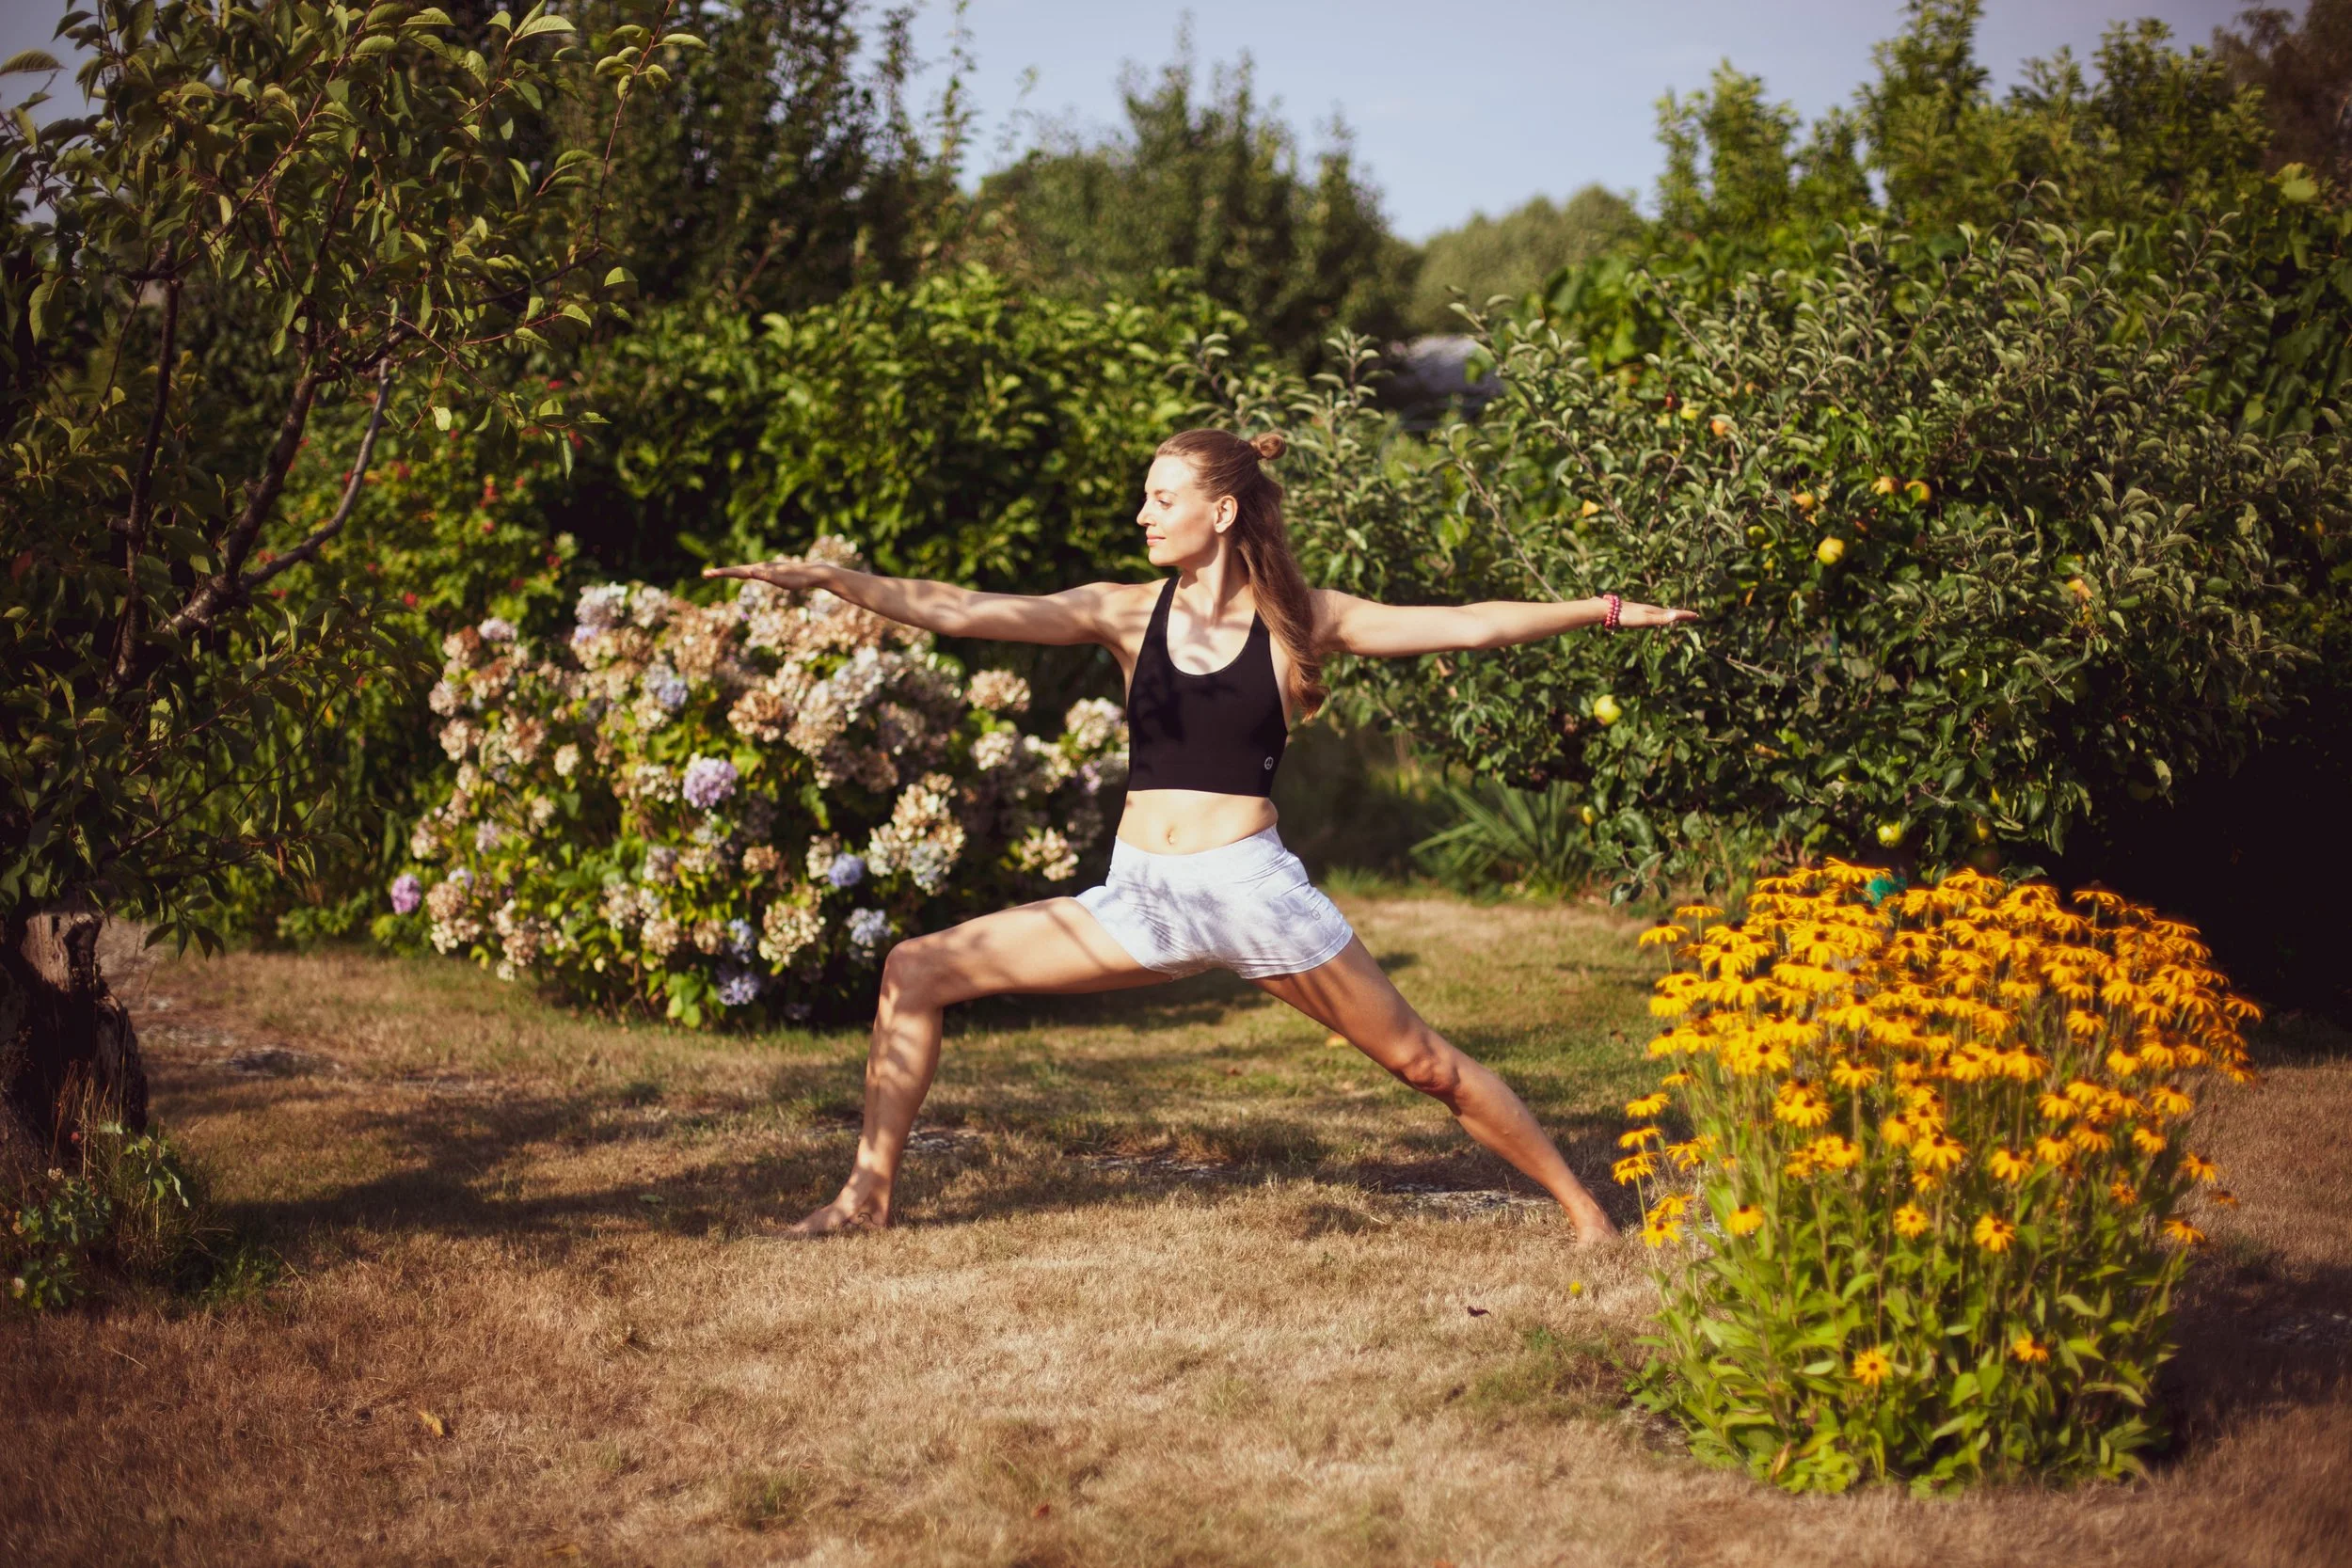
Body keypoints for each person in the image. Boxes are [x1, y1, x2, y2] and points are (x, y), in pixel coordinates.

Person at [705, 428, 1697, 1243]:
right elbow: (962, 612)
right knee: (916, 969)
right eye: (1145, 498)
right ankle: (866, 1197)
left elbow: (1469, 623)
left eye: (1161, 497)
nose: (1142, 514)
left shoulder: (1303, 618)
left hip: (1249, 891)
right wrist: (833, 578)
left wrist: (1603, 610)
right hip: (1137, 897)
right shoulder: (1122, 612)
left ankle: (1584, 1212)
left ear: (1219, 512)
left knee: (1425, 1066)